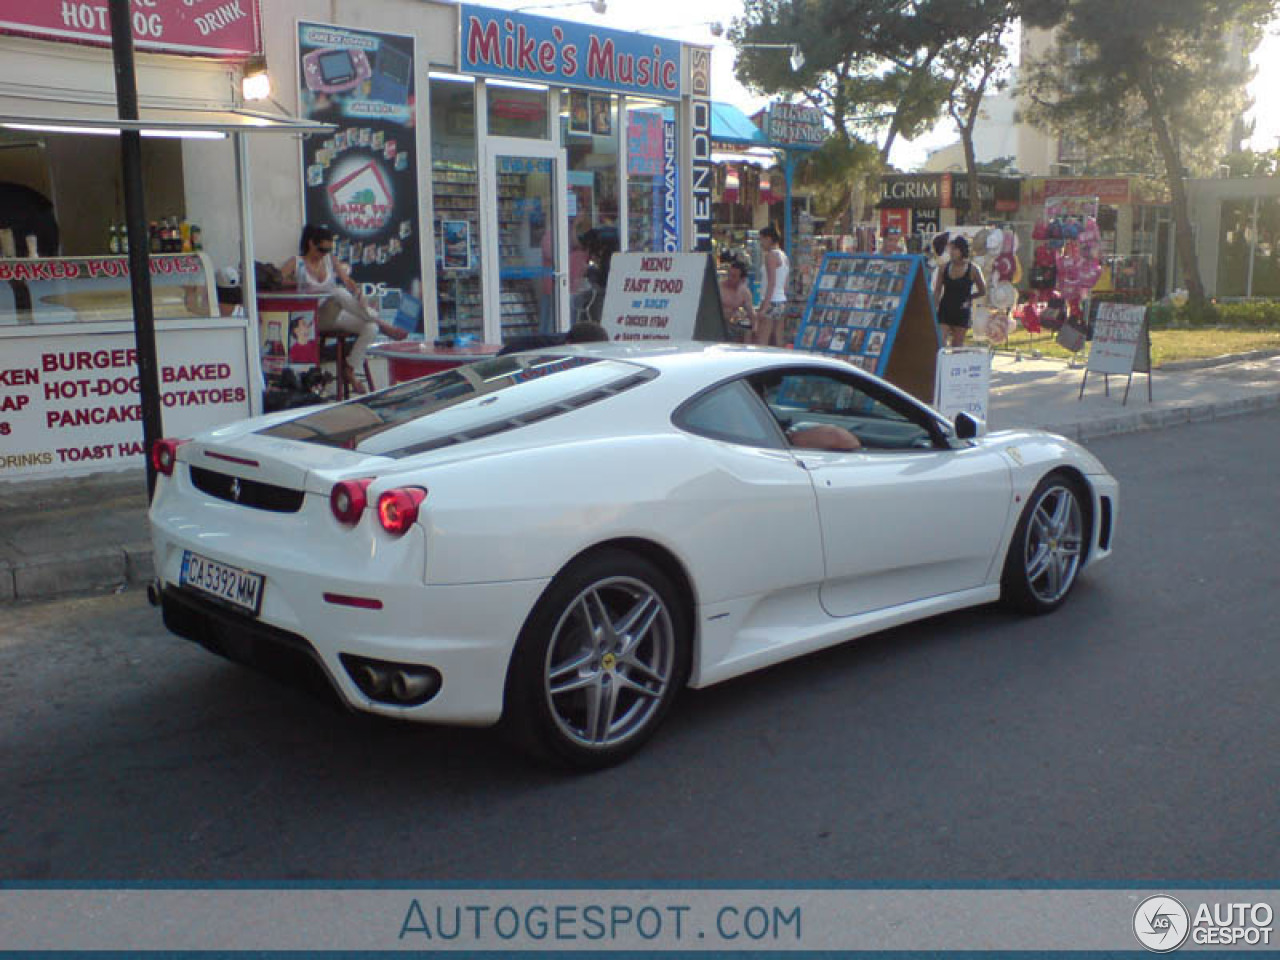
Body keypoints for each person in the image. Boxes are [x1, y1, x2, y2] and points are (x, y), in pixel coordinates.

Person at [280, 224, 404, 394]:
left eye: (328, 250)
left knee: (370, 327)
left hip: (334, 313)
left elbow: (347, 281)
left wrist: (358, 292)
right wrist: (298, 284)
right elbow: (276, 281)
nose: (324, 254)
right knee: (337, 292)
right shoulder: (297, 262)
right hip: (312, 318)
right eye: (322, 249)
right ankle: (381, 322)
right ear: (311, 244)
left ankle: (350, 369)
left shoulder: (330, 260)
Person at [933, 234, 987, 349]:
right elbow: (937, 290)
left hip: (962, 311)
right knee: (940, 343)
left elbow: (983, 290)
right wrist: (934, 307)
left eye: (955, 249)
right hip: (945, 309)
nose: (952, 252)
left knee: (957, 346)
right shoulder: (944, 268)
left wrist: (970, 298)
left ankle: (953, 366)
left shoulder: (973, 269)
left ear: (962, 250)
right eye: (951, 249)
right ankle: (941, 365)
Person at [753, 224, 790, 347]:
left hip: (771, 300)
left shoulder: (771, 256)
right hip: (781, 300)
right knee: (778, 339)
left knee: (762, 340)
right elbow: (785, 283)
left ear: (768, 238)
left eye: (761, 239)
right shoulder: (784, 256)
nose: (761, 243)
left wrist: (764, 307)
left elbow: (771, 282)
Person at [719, 258, 756, 341]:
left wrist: (755, 328)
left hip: (731, 325)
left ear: (742, 279)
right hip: (717, 324)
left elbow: (751, 313)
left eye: (734, 276)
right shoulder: (719, 288)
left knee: (748, 332)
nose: (730, 278)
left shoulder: (744, 292)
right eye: (729, 275)